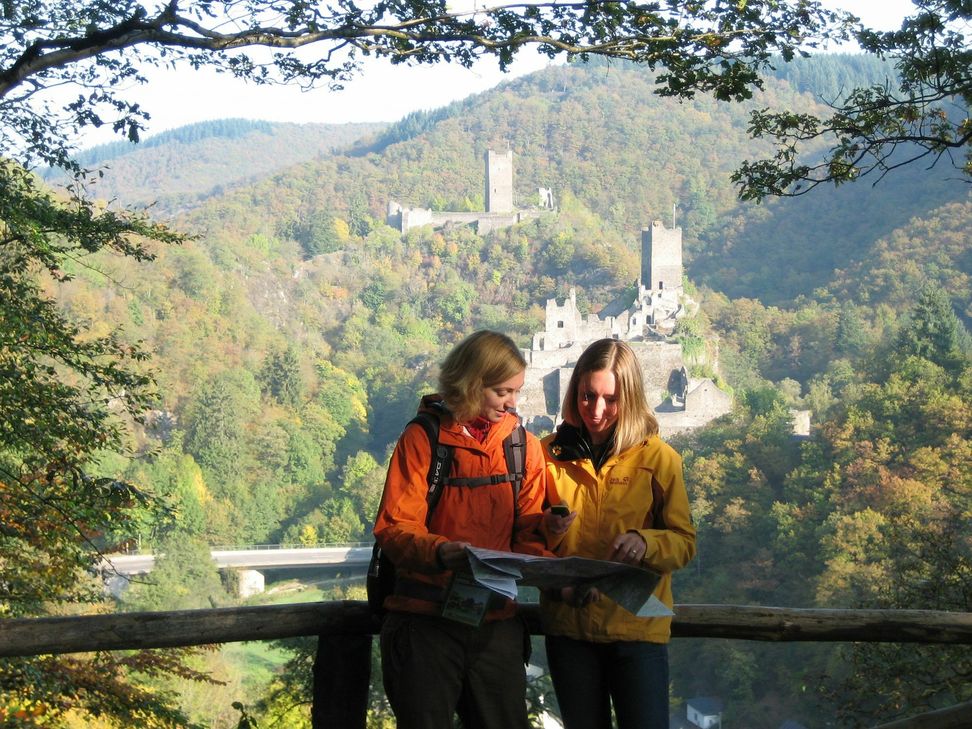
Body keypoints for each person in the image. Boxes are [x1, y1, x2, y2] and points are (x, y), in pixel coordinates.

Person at [373, 330, 549, 729]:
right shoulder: (423, 439)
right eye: (502, 391)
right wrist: (439, 552)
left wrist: (550, 531)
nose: (512, 403)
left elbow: (527, 537)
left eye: (517, 392)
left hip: (496, 624)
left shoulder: (524, 447)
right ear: (471, 383)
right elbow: (395, 526)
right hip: (426, 622)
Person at [541, 338, 697, 729]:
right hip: (569, 628)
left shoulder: (660, 460)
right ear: (574, 390)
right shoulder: (545, 456)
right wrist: (544, 528)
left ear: (631, 396)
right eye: (586, 396)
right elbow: (521, 538)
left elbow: (684, 542)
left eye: (610, 400)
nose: (595, 411)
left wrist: (646, 542)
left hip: (638, 628)